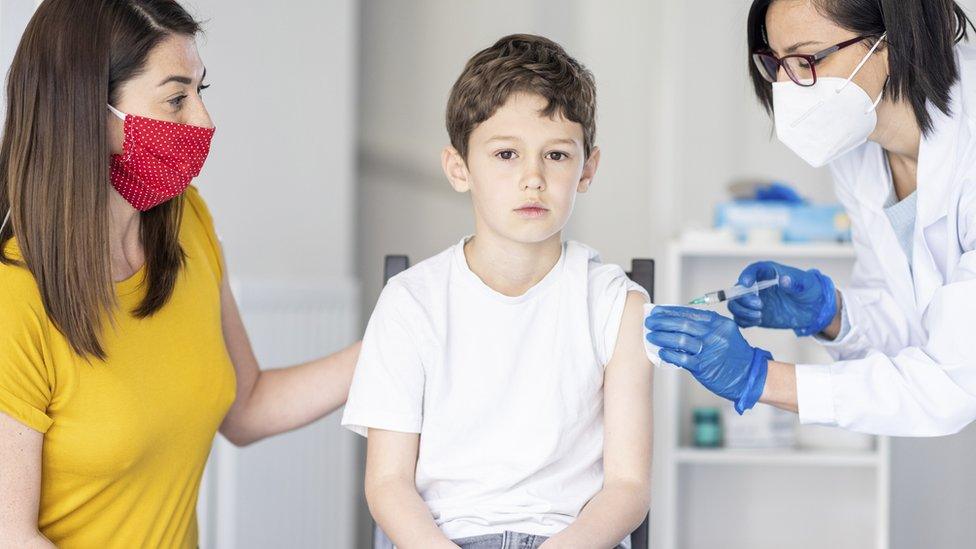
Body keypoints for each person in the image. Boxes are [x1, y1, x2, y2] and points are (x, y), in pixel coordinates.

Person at [0, 1, 359, 547]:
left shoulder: (186, 223)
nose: (203, 121)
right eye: (175, 98)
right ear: (85, 110)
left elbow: (246, 406)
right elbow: (10, 535)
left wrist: (402, 337)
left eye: (200, 91)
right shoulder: (15, 297)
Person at [341, 34, 654, 549]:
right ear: (459, 168)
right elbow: (387, 483)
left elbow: (628, 486)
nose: (533, 177)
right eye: (507, 154)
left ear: (587, 169)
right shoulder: (410, 300)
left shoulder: (617, 305)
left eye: (556, 155)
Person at [646, 0, 976, 436]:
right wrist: (832, 313)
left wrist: (759, 377)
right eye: (777, 63)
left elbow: (949, 385)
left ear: (892, 40)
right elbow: (908, 331)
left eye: (807, 59)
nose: (786, 84)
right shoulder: (860, 148)